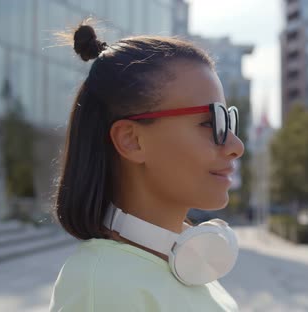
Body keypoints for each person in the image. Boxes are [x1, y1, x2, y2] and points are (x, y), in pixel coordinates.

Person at [48, 22, 244, 311]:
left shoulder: (179, 265)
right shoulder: (104, 286)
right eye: (210, 122)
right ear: (131, 140)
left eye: (228, 121)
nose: (236, 145)